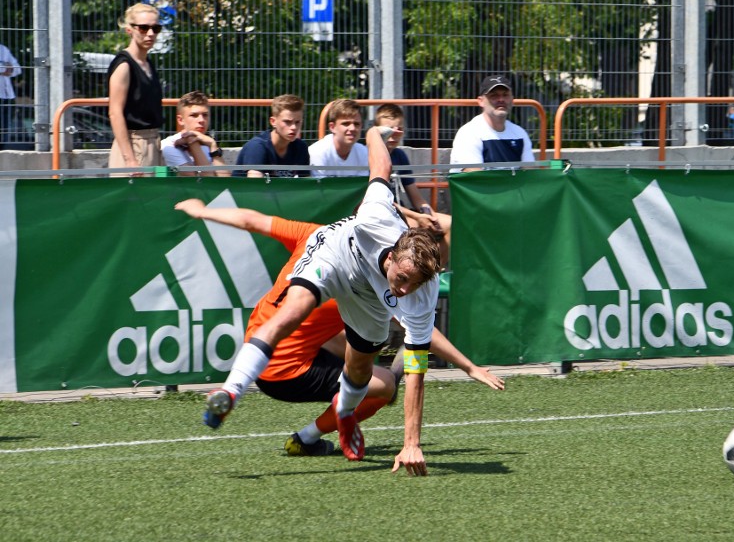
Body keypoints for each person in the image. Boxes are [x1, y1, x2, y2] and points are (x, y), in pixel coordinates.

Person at [174, 197, 504, 457]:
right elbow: (423, 332)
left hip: (260, 340)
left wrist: (203, 211)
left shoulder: (315, 235)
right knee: (386, 384)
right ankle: (308, 438)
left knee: (337, 337)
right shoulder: (367, 279)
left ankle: (233, 388)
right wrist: (468, 366)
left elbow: (252, 220)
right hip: (286, 372)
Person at [202, 125, 443, 476]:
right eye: (403, 280)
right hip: (336, 256)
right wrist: (374, 131)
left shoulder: (422, 291)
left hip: (367, 298)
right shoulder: (375, 216)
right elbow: (380, 168)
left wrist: (412, 443)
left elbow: (416, 370)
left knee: (359, 367)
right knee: (293, 310)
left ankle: (344, 412)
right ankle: (232, 391)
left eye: (414, 284)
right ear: (390, 257)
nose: (405, 291)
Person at [374, 103, 452, 266]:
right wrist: (418, 217)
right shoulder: (368, 155)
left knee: (450, 224)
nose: (395, 134)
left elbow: (416, 197)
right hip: (383, 213)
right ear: (377, 130)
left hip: (404, 213)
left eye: (399, 129)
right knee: (412, 229)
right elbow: (381, 202)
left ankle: (434, 275)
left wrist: (428, 215)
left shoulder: (400, 155)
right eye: (389, 130)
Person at [107, 3, 164, 170]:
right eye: (144, 28)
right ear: (129, 30)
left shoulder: (148, 63)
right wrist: (130, 159)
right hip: (133, 144)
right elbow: (115, 112)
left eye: (156, 28)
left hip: (153, 142)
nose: (151, 34)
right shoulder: (124, 65)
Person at [450, 75, 535, 172]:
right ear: (481, 101)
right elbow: (474, 177)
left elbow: (529, 174)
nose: (501, 99)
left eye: (505, 95)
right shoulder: (469, 133)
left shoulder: (520, 134)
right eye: (494, 95)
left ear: (512, 100)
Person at [233, 94, 310, 178]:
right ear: (273, 121)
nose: (294, 127)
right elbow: (254, 186)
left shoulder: (301, 147)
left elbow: (305, 185)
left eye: (297, 122)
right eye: (287, 122)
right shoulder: (257, 147)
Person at [161, 91, 229, 176]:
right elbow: (205, 182)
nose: (201, 120)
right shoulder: (168, 147)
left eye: (205, 115)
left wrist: (213, 146)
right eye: (194, 115)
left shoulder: (207, 144)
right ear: (180, 120)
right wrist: (193, 143)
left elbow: (225, 181)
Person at [309, 98, 368, 177]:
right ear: (332, 127)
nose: (352, 128)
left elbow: (364, 187)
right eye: (346, 123)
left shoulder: (364, 152)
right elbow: (318, 187)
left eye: (357, 124)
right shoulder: (318, 152)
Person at [0, 42, 22, 150]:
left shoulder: (3, 49)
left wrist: (5, 69)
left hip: (7, 96)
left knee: (4, 128)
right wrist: (5, 68)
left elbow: (17, 69)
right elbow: (8, 69)